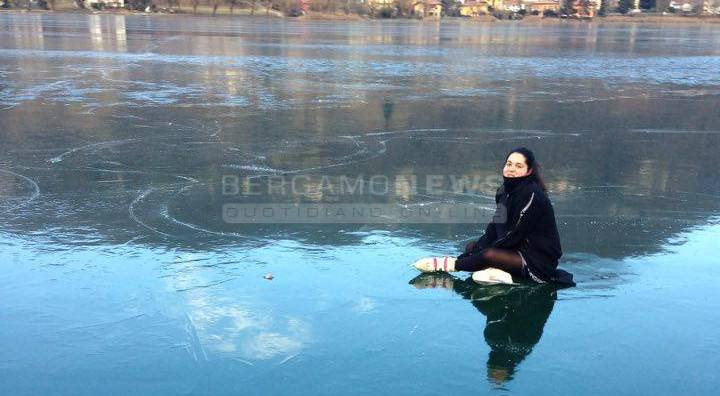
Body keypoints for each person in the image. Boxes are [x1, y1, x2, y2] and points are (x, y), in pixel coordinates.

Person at [414, 147, 574, 285]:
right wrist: (470, 254)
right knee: (472, 247)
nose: (511, 169)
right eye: (509, 164)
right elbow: (495, 227)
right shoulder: (505, 191)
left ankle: (445, 264)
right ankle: (497, 269)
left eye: (518, 166)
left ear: (529, 170)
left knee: (488, 254)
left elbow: (513, 234)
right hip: (517, 248)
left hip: (537, 259)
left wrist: (460, 263)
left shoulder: (532, 195)